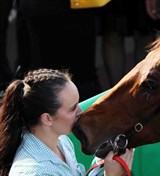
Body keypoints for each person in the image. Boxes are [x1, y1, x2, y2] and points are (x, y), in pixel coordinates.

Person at [0, 68, 134, 176]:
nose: (80, 111)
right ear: (47, 119)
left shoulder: (61, 141)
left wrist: (102, 162)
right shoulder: (34, 172)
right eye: (72, 108)